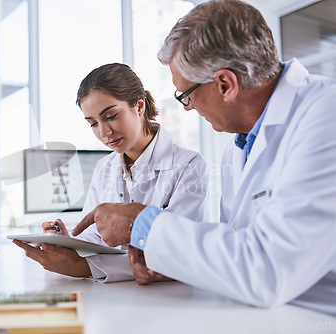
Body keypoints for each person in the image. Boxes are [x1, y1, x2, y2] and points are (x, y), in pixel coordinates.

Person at [72, 0, 336, 315]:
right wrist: (171, 263)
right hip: (264, 313)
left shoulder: (325, 116)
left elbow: (268, 269)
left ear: (225, 84)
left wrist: (139, 223)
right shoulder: (239, 147)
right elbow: (233, 249)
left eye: (186, 94)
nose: (187, 107)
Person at [13, 63, 208, 282]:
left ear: (140, 106)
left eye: (111, 116)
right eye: (93, 123)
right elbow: (97, 233)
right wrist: (68, 243)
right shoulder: (104, 168)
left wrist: (85, 267)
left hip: (171, 296)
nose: (104, 132)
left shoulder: (190, 165)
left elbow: (178, 247)